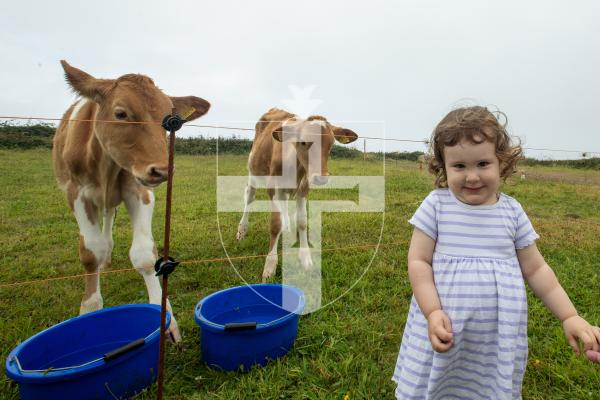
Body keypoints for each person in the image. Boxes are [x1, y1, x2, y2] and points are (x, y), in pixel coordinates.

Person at [392, 106, 600, 399]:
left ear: (501, 163)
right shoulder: (437, 205)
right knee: (436, 384)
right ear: (444, 168)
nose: (472, 176)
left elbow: (536, 269)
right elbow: (419, 261)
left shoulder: (512, 212)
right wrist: (432, 310)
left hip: (494, 339)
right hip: (442, 326)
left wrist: (569, 316)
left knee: (484, 388)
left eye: (482, 164)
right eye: (459, 167)